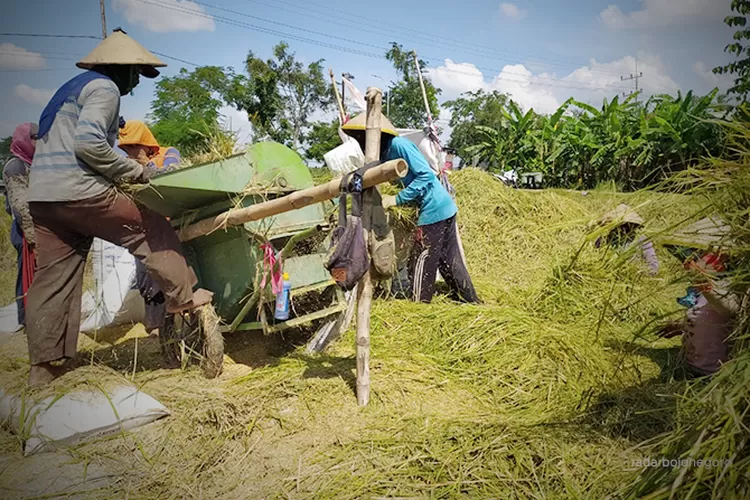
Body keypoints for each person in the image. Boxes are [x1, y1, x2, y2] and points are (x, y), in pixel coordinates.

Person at [25, 29, 212, 387]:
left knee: (53, 280)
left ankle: (43, 369)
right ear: (122, 68)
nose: (135, 84)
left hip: (44, 198)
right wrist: (137, 172)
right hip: (80, 191)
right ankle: (183, 298)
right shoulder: (105, 88)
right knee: (153, 227)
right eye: (136, 75)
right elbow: (88, 144)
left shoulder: (69, 89)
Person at [341, 112, 479, 304]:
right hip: (443, 207)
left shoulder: (399, 145)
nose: (362, 144)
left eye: (362, 139)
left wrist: (396, 199)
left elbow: (425, 176)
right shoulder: (383, 155)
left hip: (433, 208)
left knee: (421, 260)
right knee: (449, 260)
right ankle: (471, 302)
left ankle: (420, 304)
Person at [118, 119, 181, 336]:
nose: (131, 151)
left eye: (134, 146)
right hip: (143, 228)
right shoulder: (125, 166)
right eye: (126, 148)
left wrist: (146, 164)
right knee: (146, 276)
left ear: (146, 143)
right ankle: (155, 327)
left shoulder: (169, 153)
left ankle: (175, 321)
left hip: (168, 224)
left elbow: (171, 177)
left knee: (172, 273)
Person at [2, 123, 38, 330]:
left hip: (35, 227)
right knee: (26, 275)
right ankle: (25, 319)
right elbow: (20, 205)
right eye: (34, 138)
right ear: (24, 139)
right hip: (24, 229)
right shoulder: (16, 166)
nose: (38, 143)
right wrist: (32, 236)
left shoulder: (33, 163)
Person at [595, 204, 659, 275]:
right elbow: (595, 257)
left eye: (627, 225)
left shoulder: (642, 239)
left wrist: (640, 275)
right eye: (621, 225)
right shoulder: (604, 239)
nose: (624, 228)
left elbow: (653, 265)